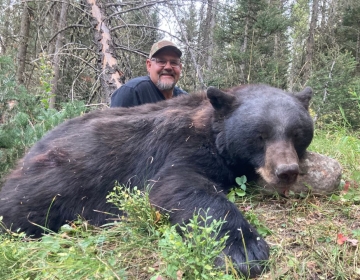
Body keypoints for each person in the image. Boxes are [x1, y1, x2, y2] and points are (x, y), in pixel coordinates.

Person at [110, 40, 188, 108]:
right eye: (161, 61)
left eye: (174, 62)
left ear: (180, 67)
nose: (168, 67)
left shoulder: (185, 100)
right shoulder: (132, 92)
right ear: (149, 65)